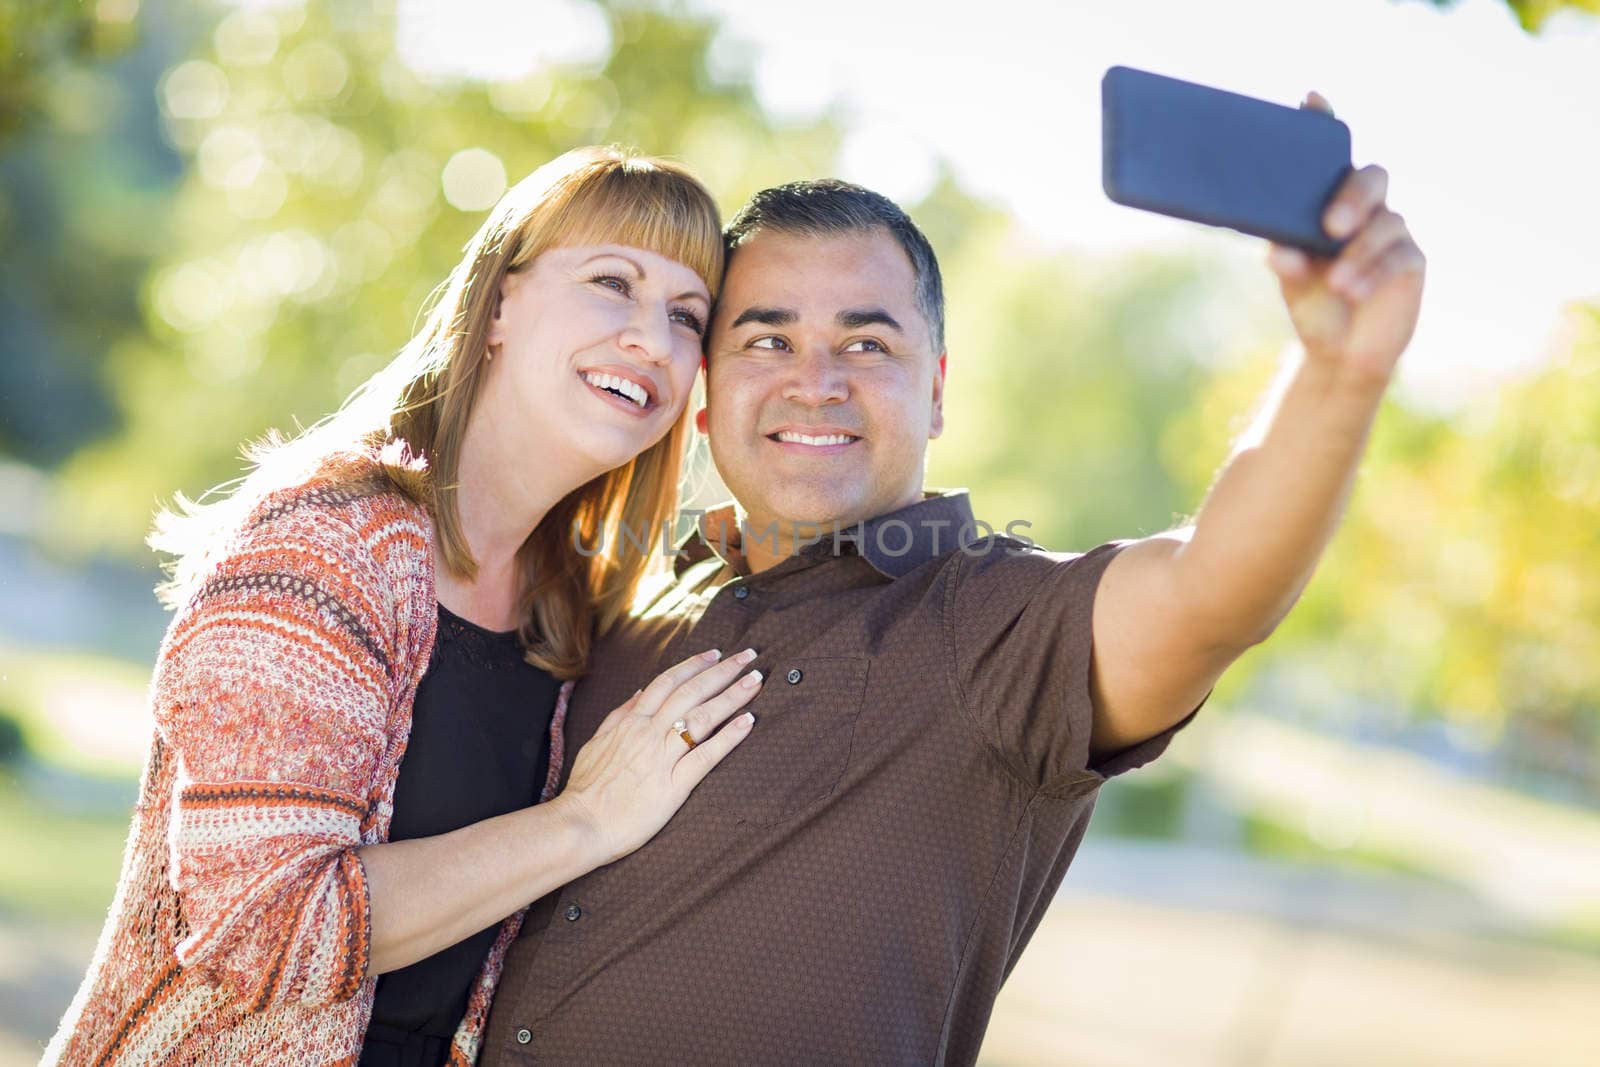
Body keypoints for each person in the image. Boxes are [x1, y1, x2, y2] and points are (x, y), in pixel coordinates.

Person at [480, 94, 1426, 1064]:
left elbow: (1209, 593)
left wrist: (1335, 373)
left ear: (934, 389)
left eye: (866, 343)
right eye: (766, 339)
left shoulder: (995, 627)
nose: (816, 379)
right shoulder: (620, 601)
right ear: (707, 394)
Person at [45, 147, 767, 1067]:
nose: (651, 339)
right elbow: (261, 928)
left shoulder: (567, 604)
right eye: (611, 282)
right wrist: (583, 819)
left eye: (686, 315)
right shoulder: (321, 551)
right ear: (499, 302)